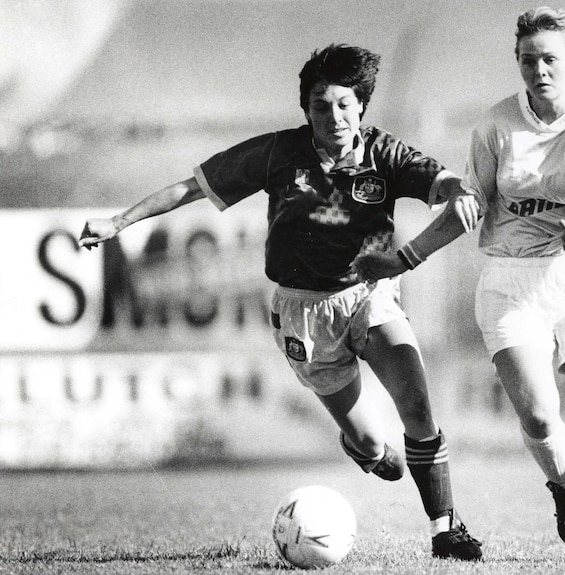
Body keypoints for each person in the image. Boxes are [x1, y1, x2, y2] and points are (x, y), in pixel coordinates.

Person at [78, 44, 483, 561]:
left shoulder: (386, 154)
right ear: (306, 109)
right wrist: (117, 223)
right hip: (303, 313)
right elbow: (190, 189)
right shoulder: (277, 154)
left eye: (344, 104)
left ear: (361, 105)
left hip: (370, 296)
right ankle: (367, 448)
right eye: (321, 105)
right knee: (369, 441)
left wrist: (456, 190)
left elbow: (441, 179)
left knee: (418, 405)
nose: (333, 116)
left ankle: (445, 529)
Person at [353, 7, 565, 562]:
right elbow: (466, 209)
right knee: (539, 416)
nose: (539, 69)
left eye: (549, 59)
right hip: (511, 283)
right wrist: (404, 258)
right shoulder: (496, 127)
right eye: (527, 60)